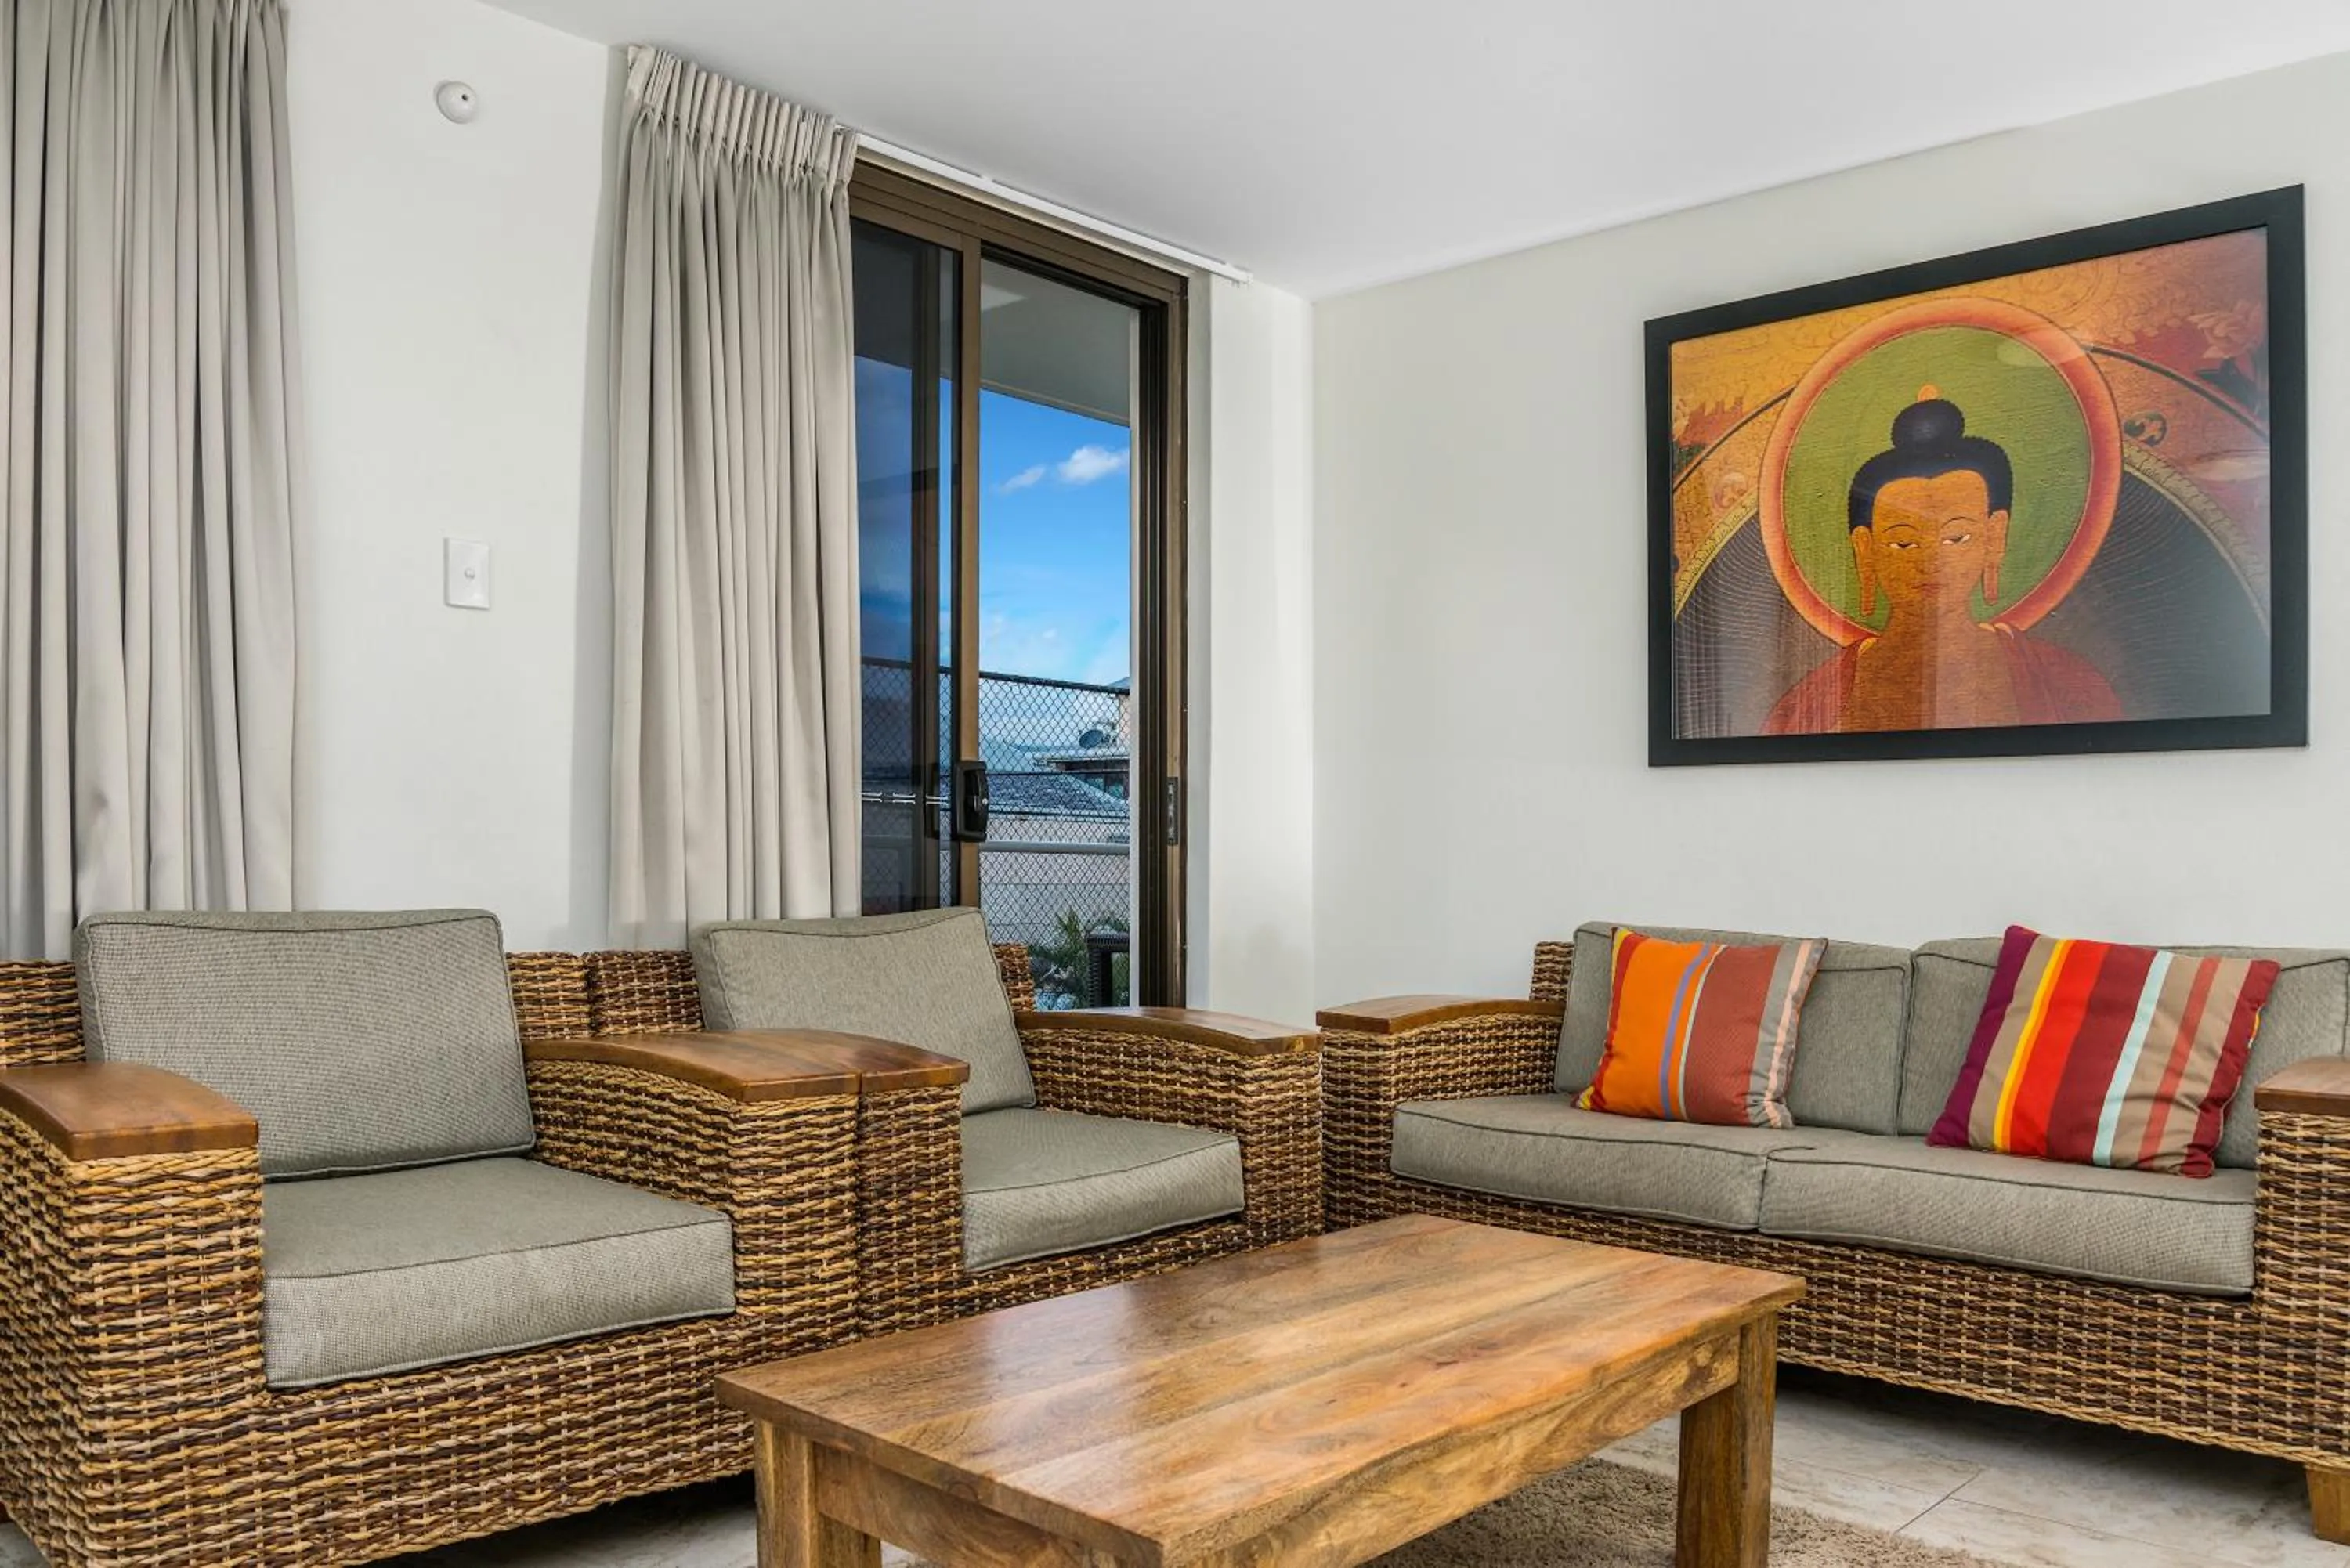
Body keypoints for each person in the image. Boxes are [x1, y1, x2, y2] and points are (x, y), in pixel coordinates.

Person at [1765, 391, 2120, 734]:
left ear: (1994, 537)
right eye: (1904, 542)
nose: (1931, 561)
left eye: (1956, 538)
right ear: (1865, 549)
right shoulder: (1811, 701)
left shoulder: (2059, 680)